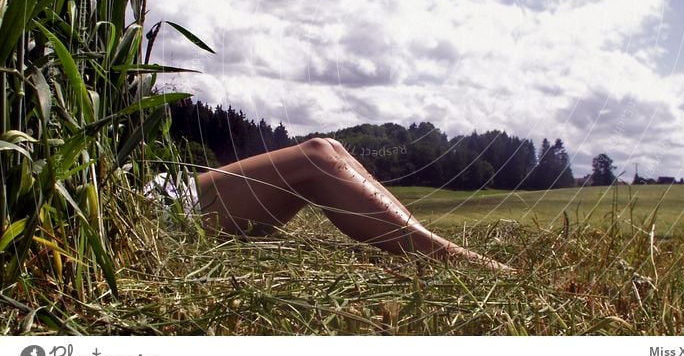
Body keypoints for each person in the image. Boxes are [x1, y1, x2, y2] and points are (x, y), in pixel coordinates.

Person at [194, 137, 512, 272]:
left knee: (331, 147)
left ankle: (427, 241)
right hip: (166, 203)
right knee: (315, 154)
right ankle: (452, 258)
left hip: (174, 191)